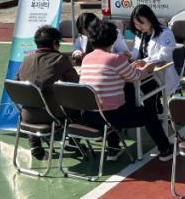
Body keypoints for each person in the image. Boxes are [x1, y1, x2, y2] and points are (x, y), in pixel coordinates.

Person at [79, 21, 173, 161]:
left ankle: (113, 148)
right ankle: (165, 149)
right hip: (112, 117)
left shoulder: (86, 58)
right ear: (112, 39)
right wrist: (148, 68)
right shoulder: (115, 59)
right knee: (149, 114)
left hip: (89, 116)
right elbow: (136, 76)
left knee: (108, 101)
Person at [16, 25, 79, 160]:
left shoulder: (26, 59)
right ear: (55, 43)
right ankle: (73, 143)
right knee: (78, 105)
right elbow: (75, 84)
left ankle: (35, 145)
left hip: (26, 115)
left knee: (33, 100)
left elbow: (17, 83)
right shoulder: (60, 59)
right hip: (51, 115)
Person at [129, 4, 180, 104]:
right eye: (136, 24)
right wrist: (128, 55)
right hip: (144, 74)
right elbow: (136, 54)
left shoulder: (165, 33)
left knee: (146, 90)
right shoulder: (140, 34)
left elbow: (165, 56)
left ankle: (154, 110)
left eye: (141, 23)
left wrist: (145, 61)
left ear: (150, 19)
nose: (139, 27)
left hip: (159, 76)